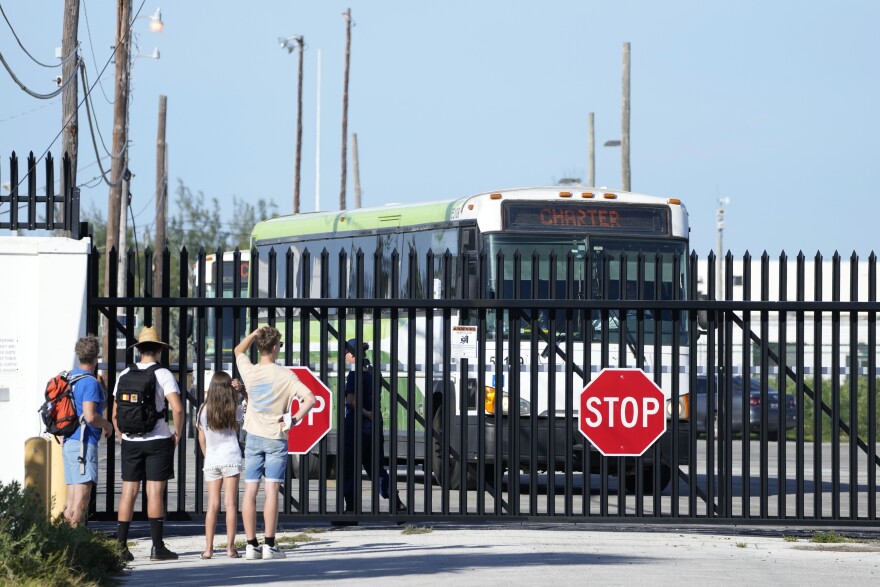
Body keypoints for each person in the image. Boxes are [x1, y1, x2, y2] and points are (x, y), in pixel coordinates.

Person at [234, 326, 316, 560]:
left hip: (253, 437)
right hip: (276, 437)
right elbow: (309, 398)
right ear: (274, 347)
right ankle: (269, 544)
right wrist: (294, 418)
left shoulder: (249, 371)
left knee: (250, 490)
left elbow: (238, 349)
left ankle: (251, 545)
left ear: (260, 347)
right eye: (279, 345)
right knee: (271, 491)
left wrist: (254, 333)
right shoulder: (286, 375)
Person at [112, 326, 184, 562]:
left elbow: (114, 413)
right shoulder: (163, 374)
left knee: (128, 491)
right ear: (159, 350)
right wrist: (177, 434)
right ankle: (157, 548)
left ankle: (120, 547)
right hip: (158, 440)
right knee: (154, 491)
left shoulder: (124, 375)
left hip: (130, 440)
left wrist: (121, 434)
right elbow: (178, 408)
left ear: (139, 350)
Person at [342, 338, 406, 513]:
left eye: (346, 352)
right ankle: (396, 502)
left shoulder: (354, 375)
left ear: (353, 354)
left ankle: (351, 508)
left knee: (350, 467)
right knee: (376, 469)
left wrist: (366, 413)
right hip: (373, 428)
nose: (345, 355)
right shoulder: (374, 373)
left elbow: (352, 401)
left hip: (356, 427)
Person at [62, 335, 114, 527]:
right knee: (82, 498)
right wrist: (107, 425)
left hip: (69, 442)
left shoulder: (70, 377)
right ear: (96, 356)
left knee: (71, 496)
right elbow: (90, 415)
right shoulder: (90, 382)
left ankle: (65, 542)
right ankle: (75, 542)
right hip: (83, 443)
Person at [197, 371, 245, 559]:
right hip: (231, 457)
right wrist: (241, 390)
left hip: (212, 459)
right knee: (230, 504)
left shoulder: (203, 410)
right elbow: (249, 407)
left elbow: (202, 439)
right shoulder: (233, 407)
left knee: (213, 505)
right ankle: (230, 548)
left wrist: (208, 456)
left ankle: (208, 549)